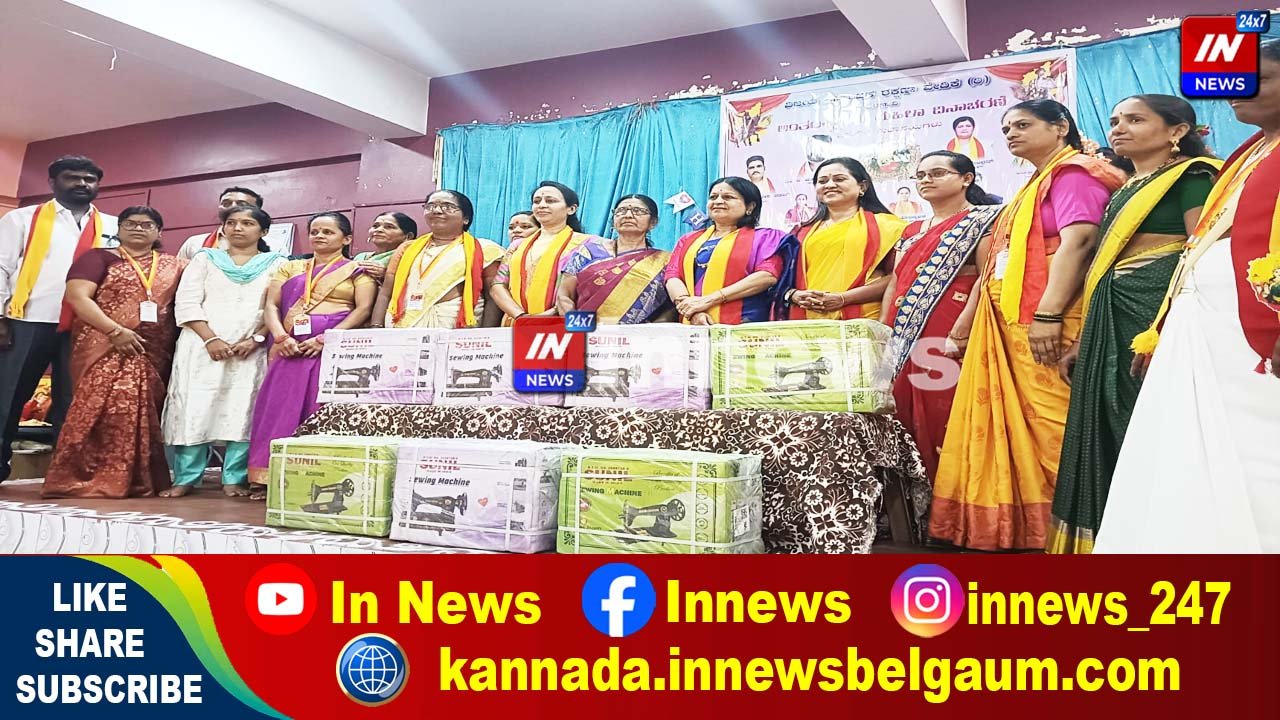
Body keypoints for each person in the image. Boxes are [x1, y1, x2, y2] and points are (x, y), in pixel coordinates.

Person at [1096, 40, 1280, 553]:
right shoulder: (1249, 153)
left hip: (1255, 332)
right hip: (1208, 325)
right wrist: (1162, 328)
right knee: (1191, 450)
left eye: (1259, 80)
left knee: (1259, 453)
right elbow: (1202, 246)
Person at [930, 99, 1126, 551]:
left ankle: (1084, 529)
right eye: (1006, 128)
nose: (1011, 134)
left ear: (1060, 127)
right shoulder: (1036, 181)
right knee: (1026, 426)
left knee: (1057, 422)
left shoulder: (1073, 173)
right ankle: (1034, 529)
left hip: (1051, 316)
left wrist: (1048, 314)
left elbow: (1081, 241)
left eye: (1023, 124)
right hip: (1014, 319)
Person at [1049, 95, 1219, 553]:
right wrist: (1082, 339)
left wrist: (1167, 325)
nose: (1119, 128)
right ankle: (1114, 537)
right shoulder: (1126, 187)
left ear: (1177, 131)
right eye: (1115, 120)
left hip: (1156, 316)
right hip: (1109, 316)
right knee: (1106, 425)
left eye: (1135, 119)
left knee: (1149, 422)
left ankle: (1163, 539)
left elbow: (1201, 254)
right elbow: (1105, 264)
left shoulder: (1194, 177)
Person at [42, 207, 181, 498]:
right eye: (130, 223)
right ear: (118, 229)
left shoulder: (174, 265)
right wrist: (115, 331)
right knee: (98, 411)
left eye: (147, 225)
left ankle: (136, 479)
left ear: (159, 232)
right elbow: (77, 297)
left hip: (152, 352)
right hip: (104, 346)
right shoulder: (97, 258)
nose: (138, 228)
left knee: (141, 415)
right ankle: (82, 477)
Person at [880, 151, 1002, 480]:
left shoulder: (985, 220)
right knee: (899, 405)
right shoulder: (912, 230)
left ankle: (950, 492)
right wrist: (882, 331)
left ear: (966, 179)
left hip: (947, 327)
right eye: (920, 175)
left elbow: (987, 276)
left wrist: (962, 328)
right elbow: (895, 282)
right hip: (901, 331)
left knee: (942, 405)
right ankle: (913, 496)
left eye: (936, 173)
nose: (926, 180)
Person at [0, 155, 117, 482]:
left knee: (74, 401)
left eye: (89, 179)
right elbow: (1, 266)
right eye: (72, 177)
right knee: (8, 395)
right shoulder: (22, 219)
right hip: (28, 320)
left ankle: (66, 474)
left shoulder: (113, 226)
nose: (82, 184)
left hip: (87, 325)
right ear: (52, 182)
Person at [247, 212, 376, 498]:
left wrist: (326, 338)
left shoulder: (357, 270)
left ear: (347, 238)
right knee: (279, 407)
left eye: (328, 232)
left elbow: (363, 309)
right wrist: (281, 337)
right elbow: (272, 306)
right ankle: (268, 476)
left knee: (318, 408)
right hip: (289, 347)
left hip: (332, 349)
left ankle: (316, 475)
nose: (319, 236)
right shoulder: (290, 268)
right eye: (315, 231)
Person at [161, 205, 285, 498]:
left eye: (247, 223)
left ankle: (234, 478)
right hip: (200, 345)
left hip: (250, 349)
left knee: (243, 408)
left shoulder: (278, 263)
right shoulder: (204, 259)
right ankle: (186, 478)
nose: (237, 228)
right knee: (194, 406)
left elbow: (278, 307)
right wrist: (211, 339)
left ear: (264, 231)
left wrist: (256, 339)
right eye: (231, 222)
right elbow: (187, 302)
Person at [779, 158, 907, 321]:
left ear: (862, 187)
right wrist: (793, 295)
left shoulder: (888, 226)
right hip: (808, 322)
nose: (830, 185)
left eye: (839, 179)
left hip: (864, 320)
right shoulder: (801, 233)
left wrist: (844, 298)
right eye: (822, 181)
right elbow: (783, 281)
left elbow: (899, 276)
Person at [665, 177, 790, 325]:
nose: (718, 201)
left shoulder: (766, 238)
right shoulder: (688, 240)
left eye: (728, 197)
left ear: (750, 206)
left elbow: (768, 276)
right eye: (713, 197)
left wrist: (708, 300)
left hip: (743, 324)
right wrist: (692, 310)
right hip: (693, 322)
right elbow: (672, 275)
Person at [371, 190, 504, 329]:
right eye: (431, 206)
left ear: (465, 218)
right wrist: (376, 327)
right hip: (401, 326)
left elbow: (493, 297)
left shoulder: (484, 249)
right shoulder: (407, 249)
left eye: (447, 206)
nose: (437, 211)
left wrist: (486, 335)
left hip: (455, 330)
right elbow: (386, 293)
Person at [556, 194, 674, 323]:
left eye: (638, 211)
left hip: (640, 333)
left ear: (653, 222)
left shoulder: (664, 260)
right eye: (621, 211)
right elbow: (565, 295)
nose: (628, 215)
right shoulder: (588, 252)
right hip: (587, 329)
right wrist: (578, 324)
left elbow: (671, 307)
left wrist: (648, 331)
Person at [490, 182, 595, 323]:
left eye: (550, 201)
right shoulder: (517, 246)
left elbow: (590, 289)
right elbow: (498, 285)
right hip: (517, 323)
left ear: (571, 209)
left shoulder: (587, 244)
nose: (542, 205)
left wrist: (550, 313)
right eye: (537, 201)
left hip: (562, 321)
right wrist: (521, 316)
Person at [176, 187, 265, 261]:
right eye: (226, 204)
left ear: (257, 211)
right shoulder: (194, 243)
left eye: (242, 204)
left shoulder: (271, 244)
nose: (232, 207)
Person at [353, 212, 417, 283]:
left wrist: (387, 275)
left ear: (408, 236)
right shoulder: (361, 256)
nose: (378, 230)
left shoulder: (409, 258)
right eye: (375, 226)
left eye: (389, 227)